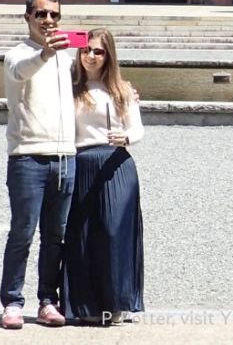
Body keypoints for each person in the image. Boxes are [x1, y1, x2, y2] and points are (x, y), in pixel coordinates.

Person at [0, 0, 76, 330]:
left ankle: (48, 300)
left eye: (54, 15)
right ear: (27, 17)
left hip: (64, 156)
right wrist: (45, 53)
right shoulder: (18, 54)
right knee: (22, 233)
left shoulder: (68, 56)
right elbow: (21, 73)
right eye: (41, 14)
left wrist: (124, 94)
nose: (48, 21)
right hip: (28, 157)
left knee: (56, 236)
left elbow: (90, 88)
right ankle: (13, 302)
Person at [62, 28, 144, 325]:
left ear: (108, 55)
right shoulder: (67, 87)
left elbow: (138, 128)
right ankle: (84, 306)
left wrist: (126, 136)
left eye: (98, 51)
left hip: (115, 163)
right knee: (81, 235)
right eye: (86, 50)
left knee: (113, 232)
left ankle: (116, 303)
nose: (91, 56)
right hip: (80, 162)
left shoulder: (121, 89)